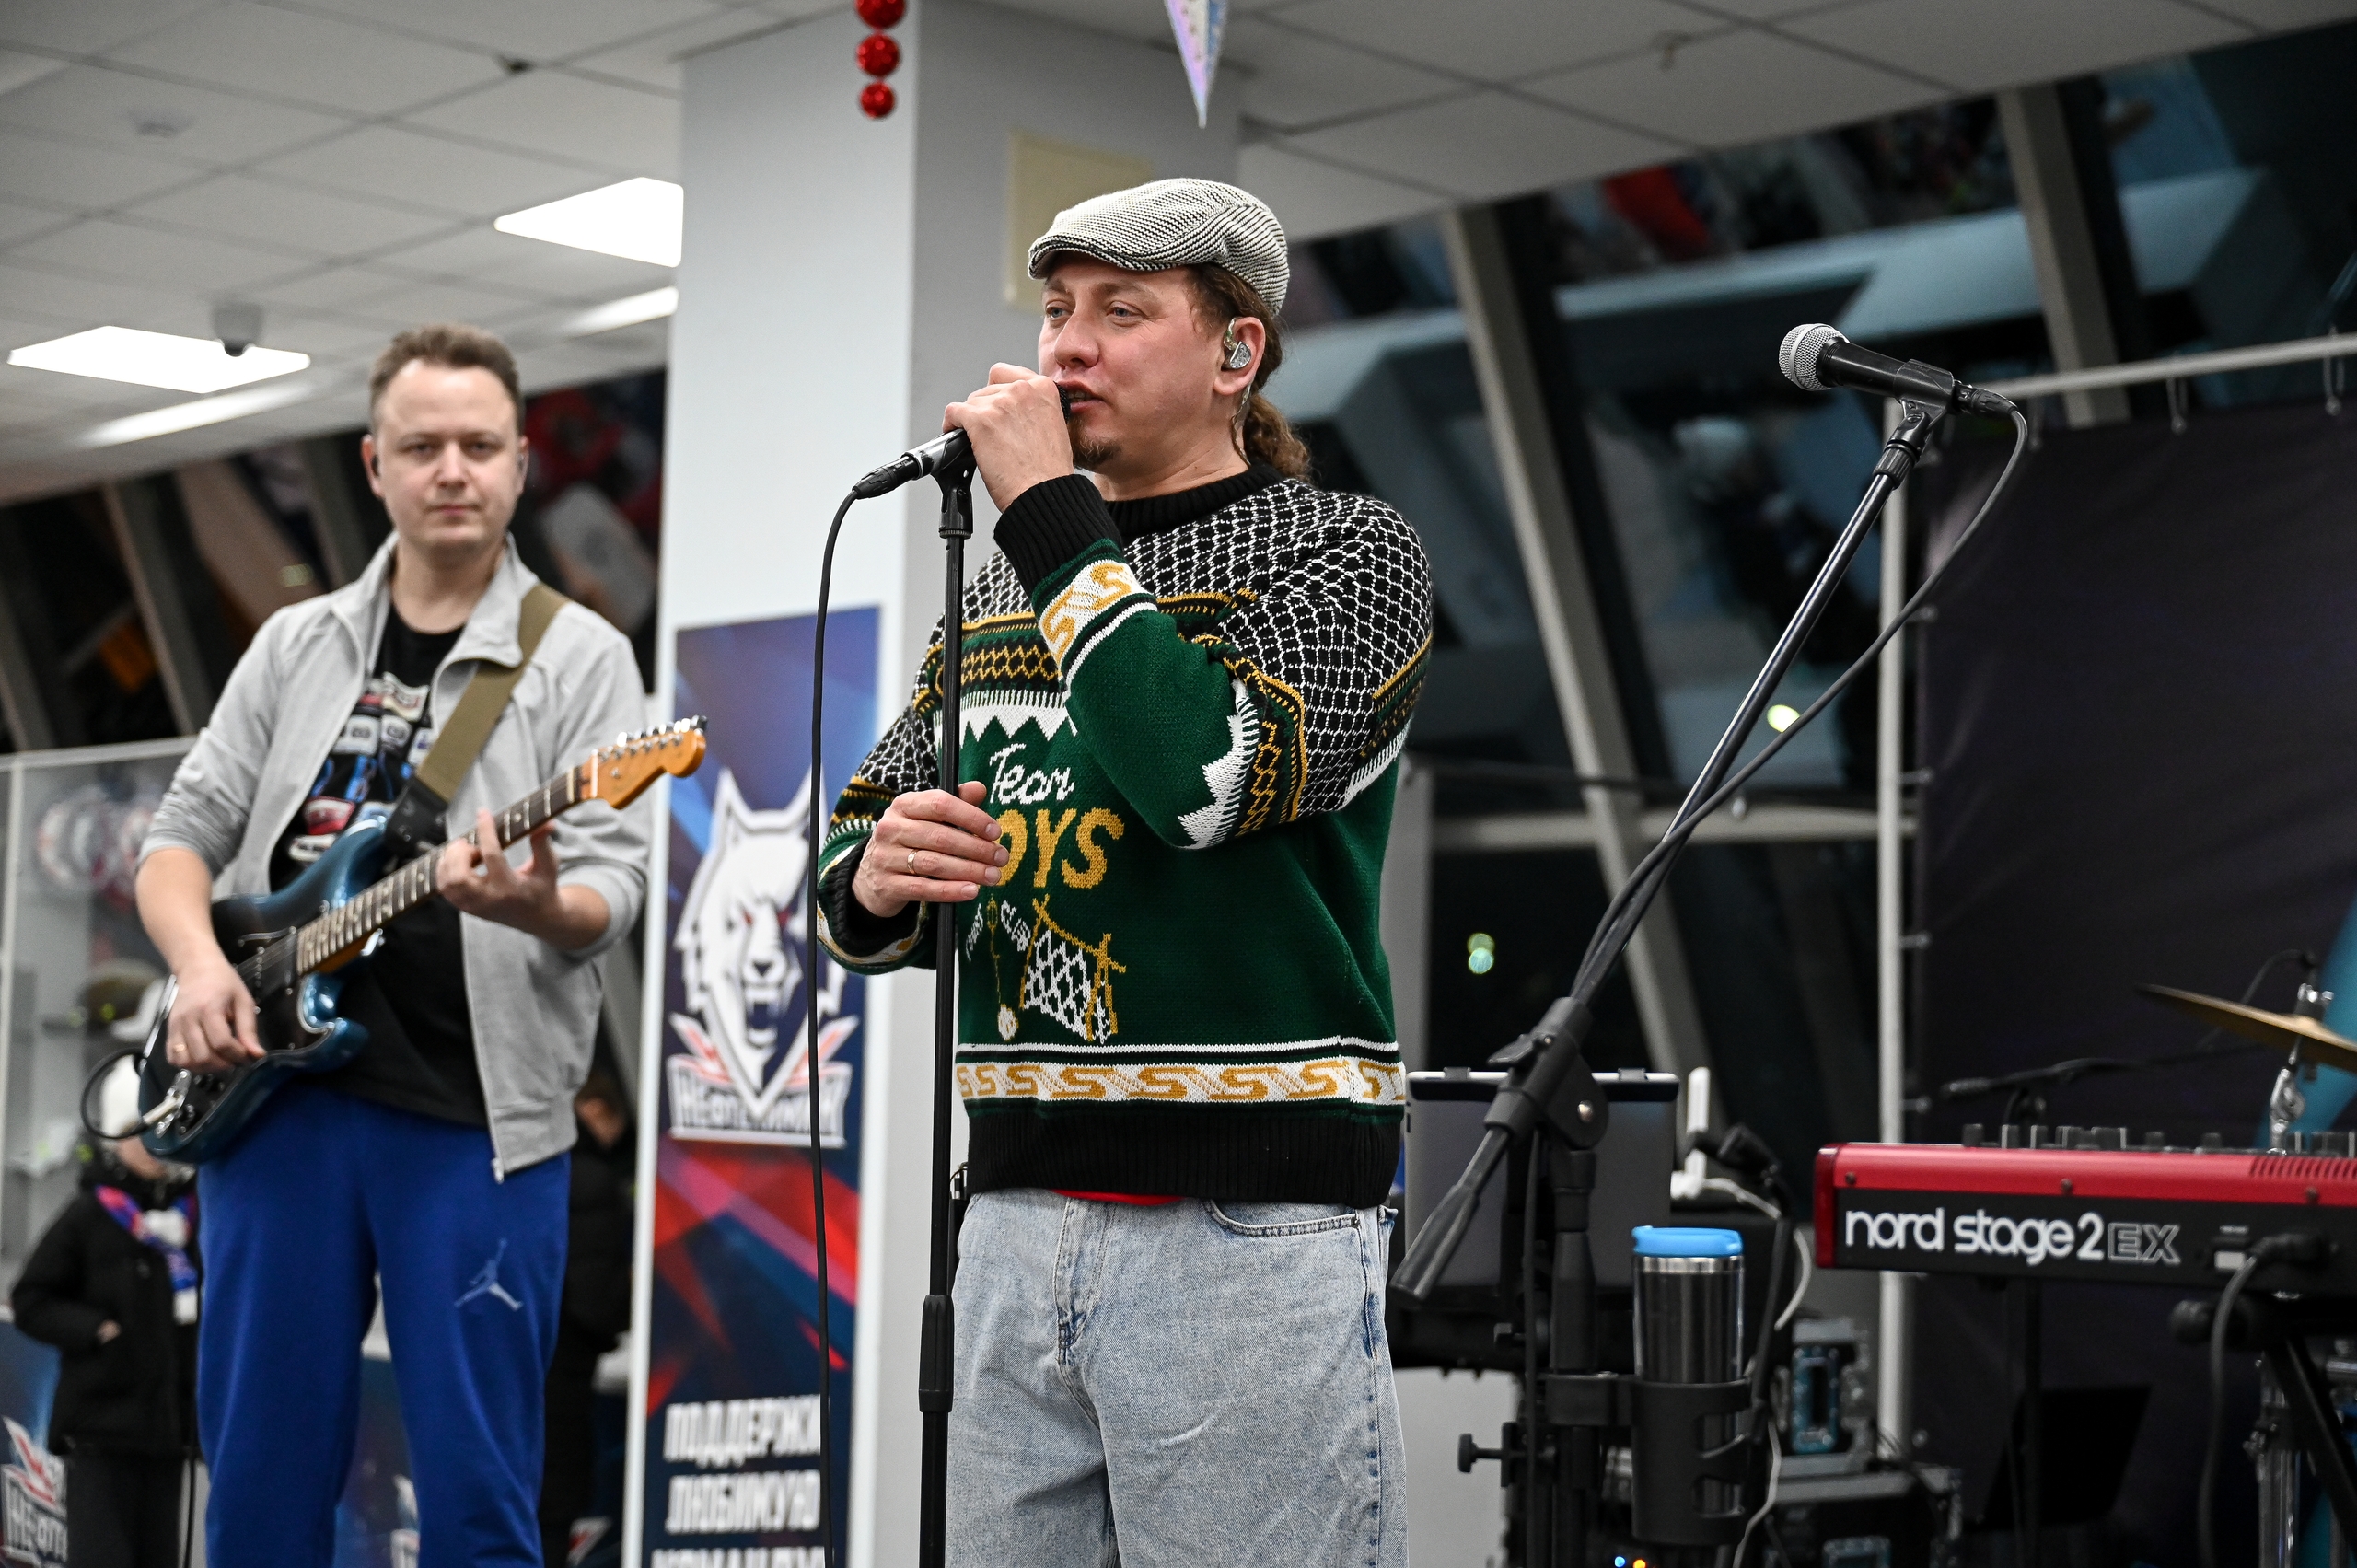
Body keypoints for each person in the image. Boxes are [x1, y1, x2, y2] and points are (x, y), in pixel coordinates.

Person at [815, 179, 1433, 1567]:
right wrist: (881, 874)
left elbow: (1205, 779)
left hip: (1247, 1224)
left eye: (1121, 311)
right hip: (1013, 1211)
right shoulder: (999, 592)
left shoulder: (1346, 550)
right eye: (1056, 310)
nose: (1067, 346)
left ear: (1236, 352)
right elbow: (852, 871)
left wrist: (1050, 520)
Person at [134, 322, 649, 1568]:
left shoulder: (581, 655)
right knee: (258, 1490)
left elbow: (614, 887)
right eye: (422, 446)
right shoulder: (295, 642)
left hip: (475, 1124)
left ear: (522, 463)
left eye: (479, 444)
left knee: (479, 1500)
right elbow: (179, 836)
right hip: (271, 1112)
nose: (452, 469)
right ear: (373, 464)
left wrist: (529, 903)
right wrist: (199, 965)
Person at [12, 1062, 200, 1568]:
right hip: (100, 1430)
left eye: (167, 1130)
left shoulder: (190, 1217)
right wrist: (96, 1329)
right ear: (117, 1136)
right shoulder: (90, 1215)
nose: (157, 1144)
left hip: (166, 1434)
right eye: (143, 1131)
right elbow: (31, 1299)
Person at [539, 1072, 634, 1568]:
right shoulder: (593, 1177)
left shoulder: (538, 1165)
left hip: (526, 1347)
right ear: (595, 1110)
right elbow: (597, 1292)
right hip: (568, 1360)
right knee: (558, 1494)